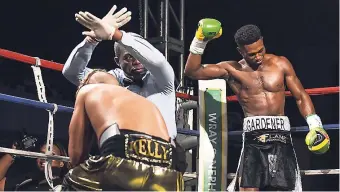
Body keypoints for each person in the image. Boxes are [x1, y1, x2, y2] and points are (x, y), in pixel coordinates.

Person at [184, 20, 330, 191]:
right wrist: (200, 41)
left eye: (261, 50)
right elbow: (192, 72)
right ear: (240, 51)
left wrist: (315, 125)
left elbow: (300, 96)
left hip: (280, 136)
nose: (258, 56)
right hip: (253, 138)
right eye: (252, 54)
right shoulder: (233, 69)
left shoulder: (280, 63)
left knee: (283, 189)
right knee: (248, 188)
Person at [63, 5, 188, 174]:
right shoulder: (111, 81)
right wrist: (92, 40)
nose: (136, 61)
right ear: (117, 61)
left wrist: (115, 35)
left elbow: (158, 62)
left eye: (139, 56)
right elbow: (72, 73)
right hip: (124, 151)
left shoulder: (161, 79)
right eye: (129, 57)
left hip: (164, 151)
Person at [61, 69, 184, 191]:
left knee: (71, 180)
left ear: (87, 81)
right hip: (171, 173)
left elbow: (76, 155)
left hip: (122, 160)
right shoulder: (144, 100)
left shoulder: (88, 90)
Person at [0, 137, 69, 191]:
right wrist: (13, 152)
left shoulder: (66, 187)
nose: (43, 158)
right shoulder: (25, 181)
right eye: (41, 154)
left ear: (61, 163)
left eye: (51, 155)